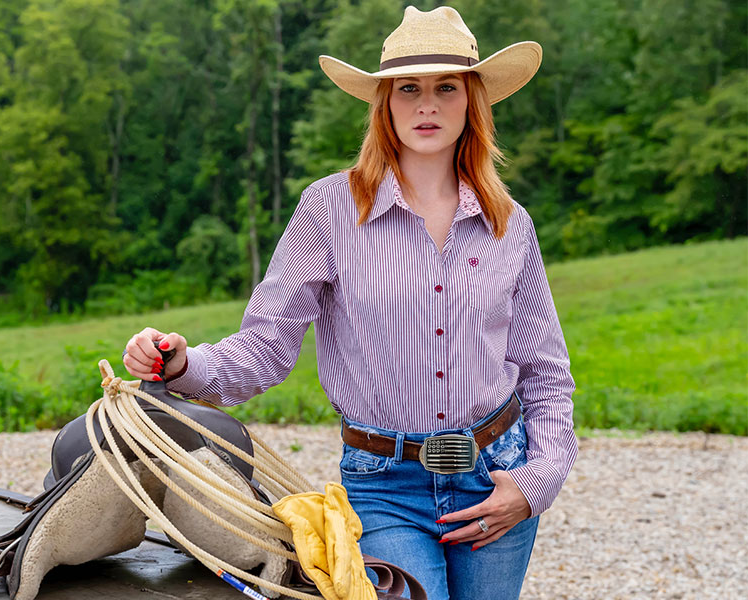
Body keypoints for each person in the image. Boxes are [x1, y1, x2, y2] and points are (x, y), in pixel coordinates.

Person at [123, 6, 576, 600]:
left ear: (473, 101)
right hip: (384, 485)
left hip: (496, 475)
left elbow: (546, 375)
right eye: (408, 88)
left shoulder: (508, 225)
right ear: (384, 102)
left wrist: (535, 482)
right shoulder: (331, 210)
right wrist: (183, 364)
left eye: (447, 87)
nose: (427, 105)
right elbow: (266, 345)